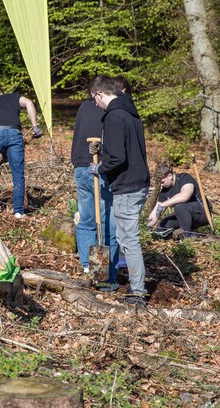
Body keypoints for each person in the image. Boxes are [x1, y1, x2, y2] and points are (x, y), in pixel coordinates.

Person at [89, 75, 150, 303]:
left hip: (127, 185)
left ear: (100, 94)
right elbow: (126, 148)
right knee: (127, 237)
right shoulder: (132, 114)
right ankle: (137, 287)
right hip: (139, 181)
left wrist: (99, 167)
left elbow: (117, 157)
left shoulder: (113, 117)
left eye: (94, 100)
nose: (96, 105)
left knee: (128, 240)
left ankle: (138, 291)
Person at [70, 89, 118, 282]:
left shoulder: (83, 106)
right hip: (98, 168)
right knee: (105, 220)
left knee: (87, 218)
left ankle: (87, 266)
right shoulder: (109, 109)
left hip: (80, 166)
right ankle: (101, 271)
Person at [0, 86, 42, 218]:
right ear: (2, 94)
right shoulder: (13, 97)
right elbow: (29, 103)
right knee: (18, 172)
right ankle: (19, 212)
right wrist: (35, 127)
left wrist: (1, 147)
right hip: (15, 132)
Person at [146, 164, 211, 237]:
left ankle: (187, 235)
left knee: (179, 207)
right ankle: (185, 234)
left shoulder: (184, 178)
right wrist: (147, 226)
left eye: (163, 182)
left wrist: (164, 204)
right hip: (185, 217)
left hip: (203, 213)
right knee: (161, 226)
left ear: (170, 176)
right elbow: (157, 210)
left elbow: (185, 196)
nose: (161, 185)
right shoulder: (165, 191)